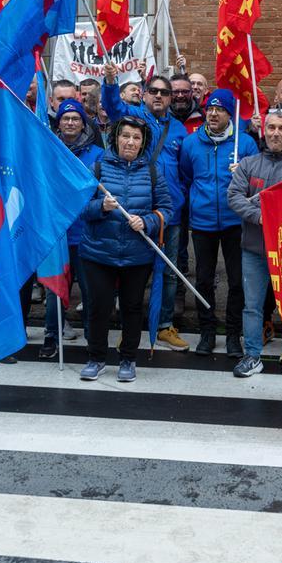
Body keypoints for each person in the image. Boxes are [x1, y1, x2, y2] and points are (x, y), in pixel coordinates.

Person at [78, 116, 172, 382]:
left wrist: (148, 221)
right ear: (115, 137)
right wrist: (101, 207)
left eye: (136, 137)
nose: (130, 141)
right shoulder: (96, 169)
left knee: (131, 308)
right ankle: (96, 358)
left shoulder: (153, 172)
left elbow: (167, 209)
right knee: (99, 307)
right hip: (98, 253)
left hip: (137, 254)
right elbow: (80, 209)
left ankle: (128, 359)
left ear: (143, 143)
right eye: (125, 136)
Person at [102, 66, 188, 352]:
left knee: (169, 270)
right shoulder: (134, 116)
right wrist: (111, 82)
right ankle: (128, 329)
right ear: (145, 93)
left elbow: (185, 169)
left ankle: (164, 325)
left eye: (166, 92)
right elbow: (112, 106)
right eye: (154, 91)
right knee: (128, 267)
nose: (160, 96)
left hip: (167, 211)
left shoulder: (178, 128)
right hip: (133, 207)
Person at [227, 109, 282, 380]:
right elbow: (234, 197)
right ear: (264, 131)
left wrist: (270, 212)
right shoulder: (249, 163)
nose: (276, 133)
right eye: (271, 128)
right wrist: (261, 216)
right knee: (252, 305)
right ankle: (252, 355)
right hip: (254, 249)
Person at [179, 89, 259, 357]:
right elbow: (187, 177)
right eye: (210, 109)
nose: (213, 114)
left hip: (236, 221)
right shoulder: (191, 144)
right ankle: (207, 332)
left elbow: (258, 184)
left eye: (220, 110)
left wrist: (246, 177)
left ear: (230, 114)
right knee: (203, 279)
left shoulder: (245, 144)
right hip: (202, 223)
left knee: (237, 281)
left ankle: (233, 334)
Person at [40, 99, 103, 358]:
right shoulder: (48, 149)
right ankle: (51, 336)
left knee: (89, 290)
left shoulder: (97, 154)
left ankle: (92, 336)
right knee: (54, 289)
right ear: (59, 122)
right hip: (56, 232)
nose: (70, 123)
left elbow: (102, 189)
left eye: (75, 118)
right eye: (65, 118)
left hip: (85, 232)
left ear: (83, 123)